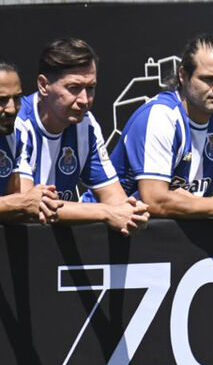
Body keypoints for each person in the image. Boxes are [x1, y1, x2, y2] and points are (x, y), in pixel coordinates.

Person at [106, 34, 213, 224]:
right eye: (209, 78)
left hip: (174, 228)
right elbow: (155, 200)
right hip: (108, 230)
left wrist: (190, 201)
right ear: (183, 75)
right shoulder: (160, 116)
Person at [13, 39, 147, 235]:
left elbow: (114, 198)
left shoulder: (87, 125)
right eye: (74, 88)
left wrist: (132, 212)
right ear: (43, 85)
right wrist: (105, 212)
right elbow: (29, 206)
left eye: (90, 88)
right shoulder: (17, 124)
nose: (85, 100)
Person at [0, 63, 60, 223]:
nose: (12, 109)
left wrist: (41, 200)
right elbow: (17, 202)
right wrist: (21, 202)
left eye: (17, 98)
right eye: (2, 100)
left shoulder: (16, 135)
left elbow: (12, 207)